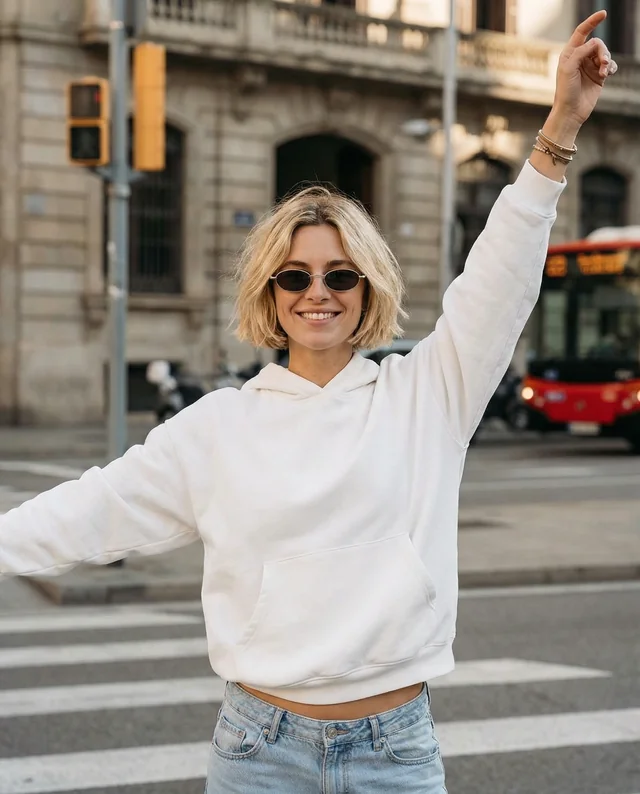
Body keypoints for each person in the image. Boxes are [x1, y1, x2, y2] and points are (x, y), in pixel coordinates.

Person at [0, 11, 617, 793]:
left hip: (395, 749)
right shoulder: (219, 427)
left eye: (339, 275)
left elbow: (499, 275)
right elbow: (88, 511)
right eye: (293, 276)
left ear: (368, 288)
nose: (316, 293)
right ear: (269, 290)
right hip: (260, 751)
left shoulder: (428, 394)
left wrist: (559, 126)